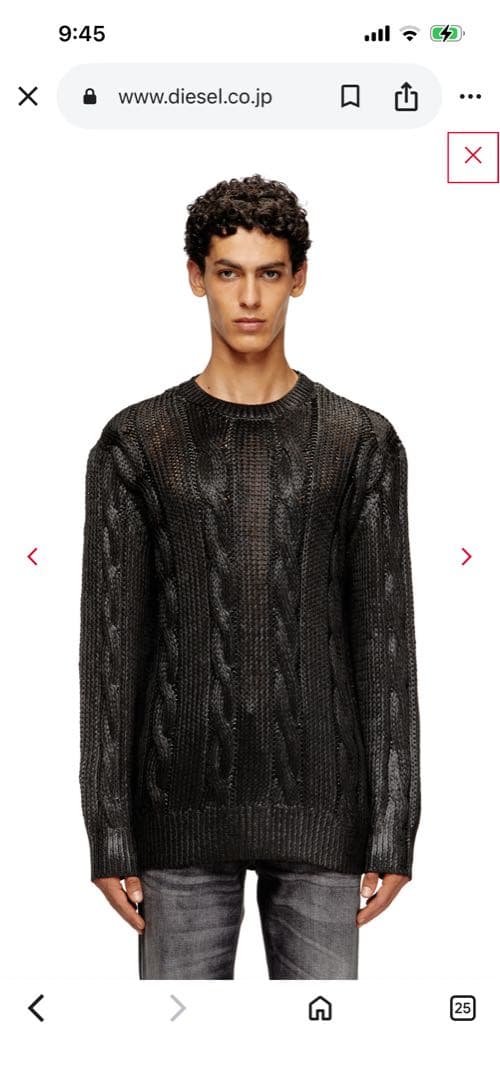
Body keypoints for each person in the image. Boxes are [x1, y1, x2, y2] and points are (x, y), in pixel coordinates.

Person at [79, 174, 421, 980]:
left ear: (298, 278)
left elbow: (384, 643)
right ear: (195, 276)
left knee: (325, 1043)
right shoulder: (137, 444)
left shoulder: (361, 442)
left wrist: (394, 823)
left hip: (325, 817)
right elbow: (112, 649)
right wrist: (109, 831)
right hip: (175, 817)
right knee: (176, 1042)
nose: (249, 297)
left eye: (269, 273)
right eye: (228, 272)